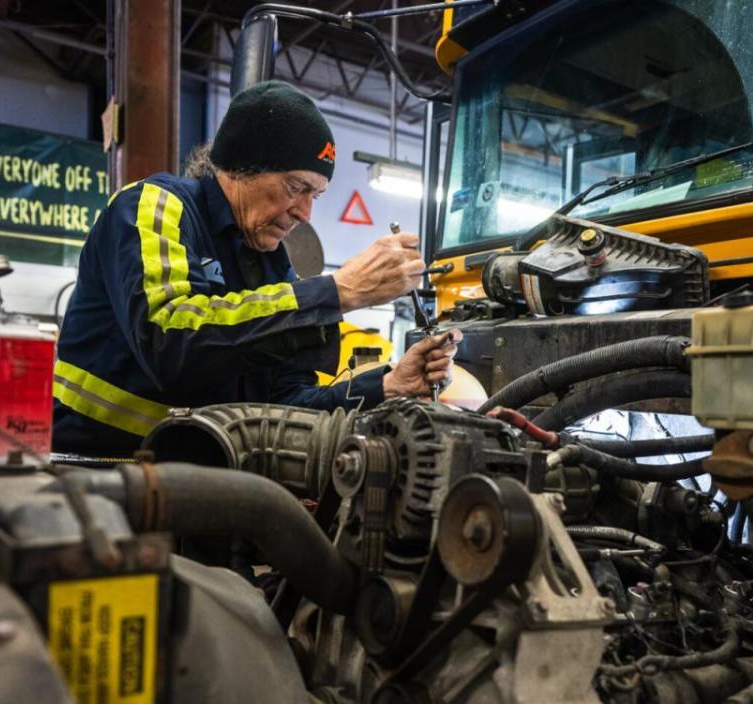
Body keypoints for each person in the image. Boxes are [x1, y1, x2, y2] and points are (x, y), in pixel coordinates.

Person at [52, 80, 458, 458]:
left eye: (315, 194)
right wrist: (336, 292)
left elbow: (284, 405)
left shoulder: (273, 270)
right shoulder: (158, 207)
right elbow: (168, 343)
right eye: (296, 187)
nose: (304, 212)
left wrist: (386, 385)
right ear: (242, 165)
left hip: (202, 486)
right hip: (95, 470)